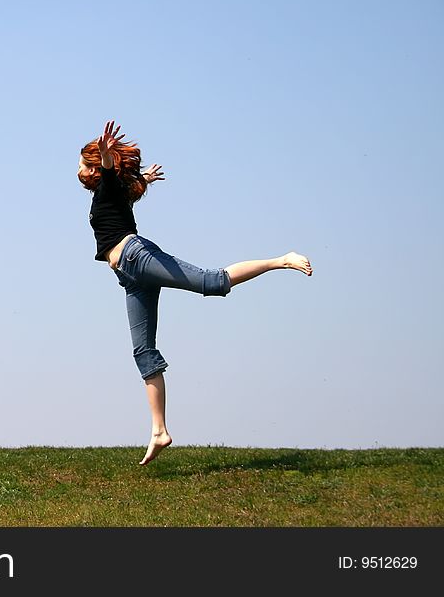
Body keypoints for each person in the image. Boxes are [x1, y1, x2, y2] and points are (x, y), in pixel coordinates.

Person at [78, 120, 313, 465]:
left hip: (136, 257)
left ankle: (281, 260)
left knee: (212, 282)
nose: (79, 171)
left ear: (96, 168)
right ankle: (159, 431)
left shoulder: (108, 184)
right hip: (129, 275)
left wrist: (106, 156)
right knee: (143, 352)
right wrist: (144, 181)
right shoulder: (112, 194)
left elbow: (112, 175)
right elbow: (124, 189)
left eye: (84, 164)